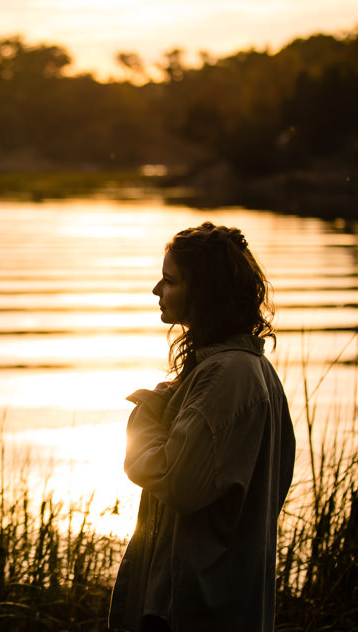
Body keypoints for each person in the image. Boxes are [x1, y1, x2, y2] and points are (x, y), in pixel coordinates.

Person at [109, 222, 296, 632]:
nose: (157, 290)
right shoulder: (245, 369)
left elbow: (175, 480)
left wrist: (147, 410)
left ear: (204, 291)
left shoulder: (227, 376)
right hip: (206, 601)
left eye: (170, 280)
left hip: (197, 609)